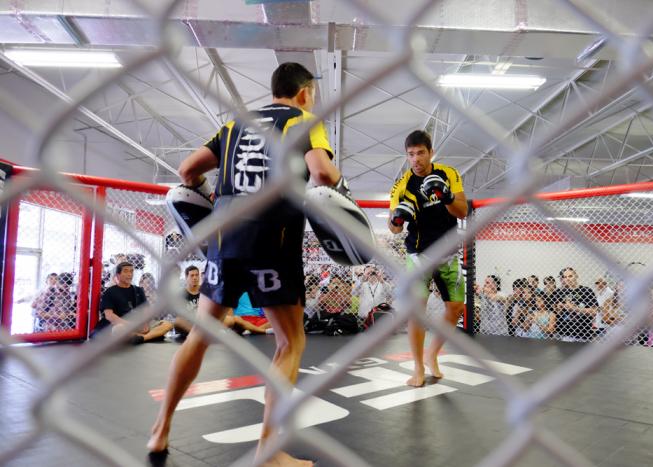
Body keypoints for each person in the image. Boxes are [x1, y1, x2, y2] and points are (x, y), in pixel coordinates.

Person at [148, 62, 344, 466]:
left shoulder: (235, 125)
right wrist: (339, 183)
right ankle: (270, 456)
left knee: (201, 334)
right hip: (274, 235)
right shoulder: (304, 119)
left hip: (224, 237)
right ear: (305, 92)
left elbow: (187, 171)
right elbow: (322, 173)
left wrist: (209, 193)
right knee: (289, 342)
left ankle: (160, 431)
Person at [388, 130, 468, 387]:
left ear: (430, 152)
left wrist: (444, 195)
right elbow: (395, 229)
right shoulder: (400, 186)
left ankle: (432, 353)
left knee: (456, 308)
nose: (416, 159)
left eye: (421, 153)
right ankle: (418, 367)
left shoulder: (449, 173)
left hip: (447, 252)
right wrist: (398, 219)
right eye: (411, 154)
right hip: (418, 255)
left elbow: (462, 210)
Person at [93, 261, 172, 344]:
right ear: (118, 275)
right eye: (126, 271)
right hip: (122, 324)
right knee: (118, 329)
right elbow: (109, 316)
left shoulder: (138, 290)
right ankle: (147, 336)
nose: (129, 274)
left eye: (131, 271)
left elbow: (146, 311)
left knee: (167, 324)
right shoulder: (110, 292)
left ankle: (142, 338)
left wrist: (145, 323)